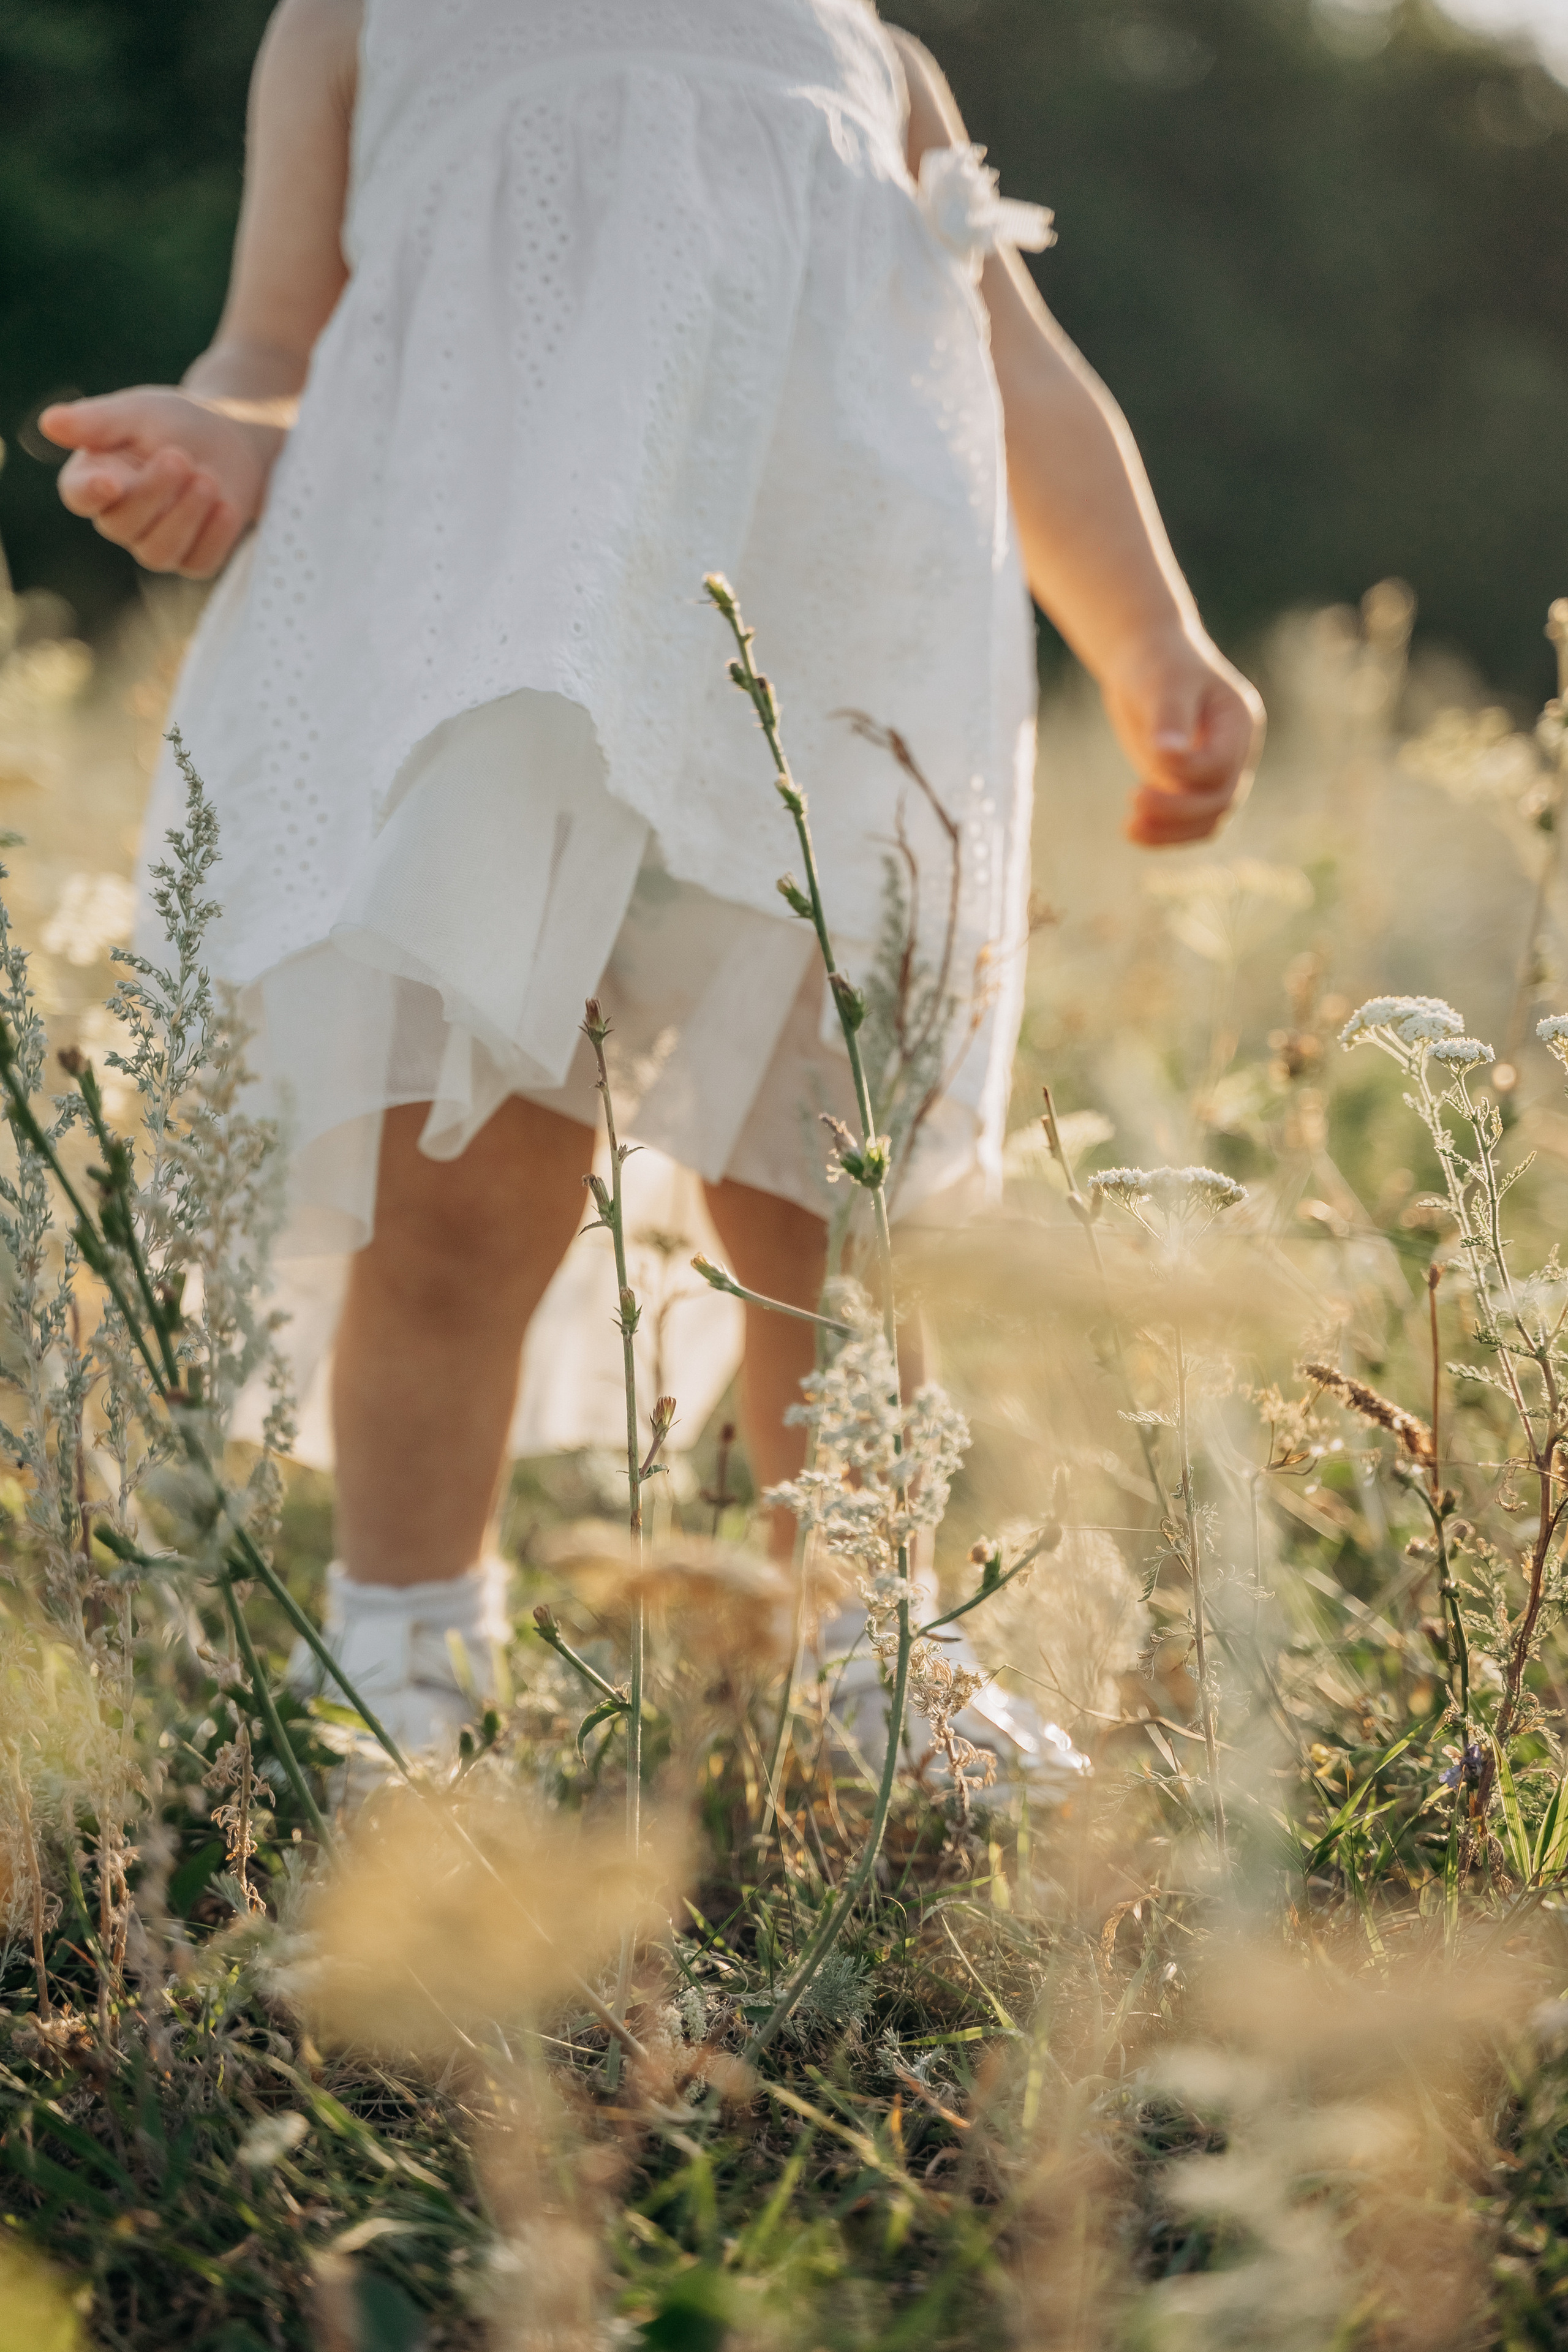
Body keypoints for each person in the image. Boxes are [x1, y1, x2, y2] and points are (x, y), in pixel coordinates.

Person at [42, 0, 1262, 1765]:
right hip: (499, 673)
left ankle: (861, 1644)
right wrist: (218, 437)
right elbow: (270, 349)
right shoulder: (359, 20)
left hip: (822, 705)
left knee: (837, 1207)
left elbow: (1021, 377)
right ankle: (403, 1654)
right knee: (461, 1185)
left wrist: (1154, 641)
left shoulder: (865, 50)